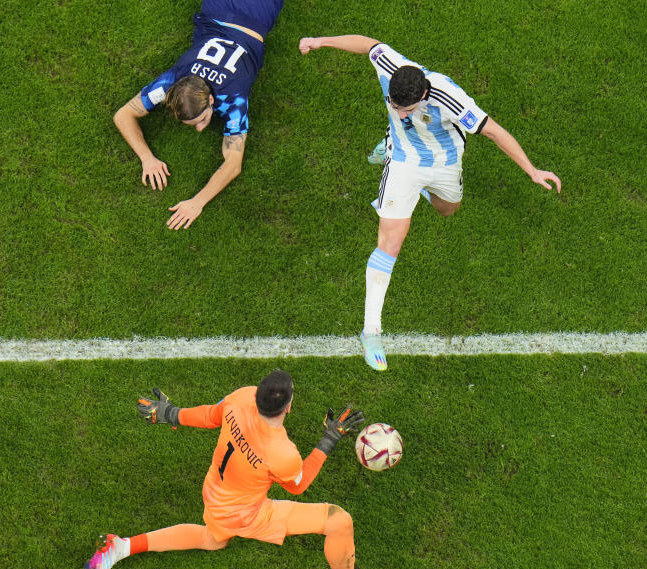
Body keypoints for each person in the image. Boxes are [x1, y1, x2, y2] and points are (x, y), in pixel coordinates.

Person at [298, 35, 562, 371]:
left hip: (443, 163)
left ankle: (398, 160)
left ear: (422, 95)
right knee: (391, 241)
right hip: (405, 162)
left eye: (402, 108)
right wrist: (319, 42)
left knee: (447, 209)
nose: (394, 109)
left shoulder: (452, 100)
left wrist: (532, 170)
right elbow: (368, 44)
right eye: (392, 104)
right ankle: (371, 331)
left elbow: (494, 131)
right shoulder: (393, 68)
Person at [82, 370, 398, 569]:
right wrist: (330, 437)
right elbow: (299, 485)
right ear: (288, 406)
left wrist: (169, 413)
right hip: (242, 513)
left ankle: (121, 547)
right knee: (338, 520)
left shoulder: (241, 397)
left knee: (213, 539)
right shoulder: (282, 453)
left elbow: (209, 415)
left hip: (216, 489)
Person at [113, 0, 285, 230]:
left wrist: (198, 202)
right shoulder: (172, 82)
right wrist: (147, 158)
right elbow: (123, 115)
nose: (201, 128)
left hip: (257, 14)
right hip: (219, 10)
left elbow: (234, 164)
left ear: (211, 100)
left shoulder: (234, 99)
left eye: (202, 119)